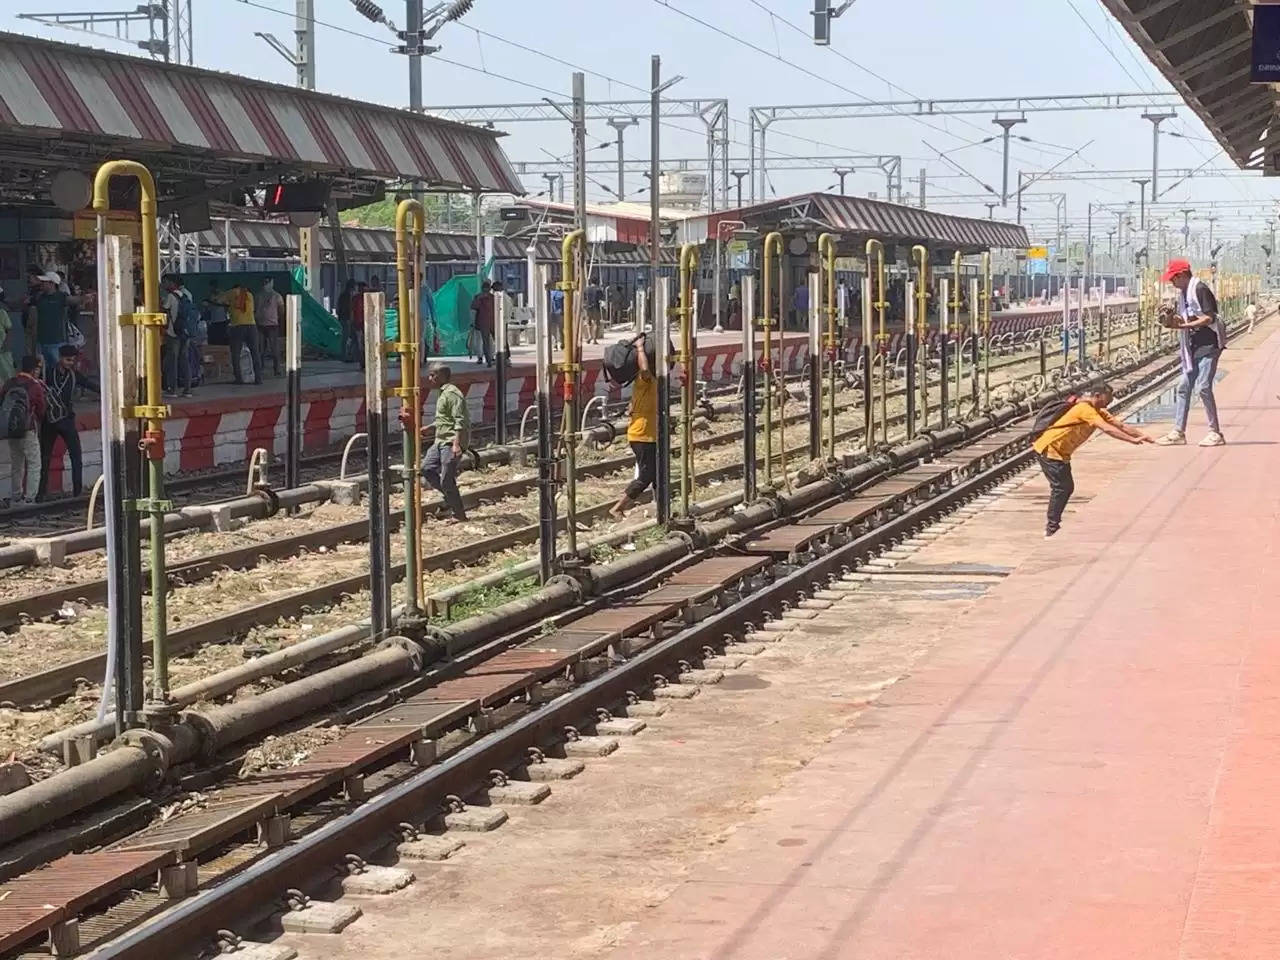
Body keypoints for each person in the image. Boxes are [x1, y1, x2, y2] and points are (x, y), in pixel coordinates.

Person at [1032, 383, 1153, 539]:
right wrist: (1132, 440)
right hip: (1049, 449)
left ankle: (1052, 526)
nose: (1109, 402)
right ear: (1097, 395)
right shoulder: (1085, 409)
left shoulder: (1098, 411)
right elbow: (1107, 429)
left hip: (1061, 453)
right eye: (1107, 399)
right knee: (1062, 487)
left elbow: (1119, 425)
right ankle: (1051, 528)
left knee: (1065, 487)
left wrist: (1143, 436)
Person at [1154, 258, 1228, 447]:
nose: (1172, 282)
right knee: (1183, 387)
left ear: (1182, 275)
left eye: (1173, 278)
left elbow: (1208, 317)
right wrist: (1172, 319)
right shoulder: (1184, 293)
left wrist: (1183, 326)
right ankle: (1179, 432)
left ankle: (1215, 433)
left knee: (1203, 386)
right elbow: (1188, 317)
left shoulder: (1200, 289)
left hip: (1209, 346)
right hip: (1193, 347)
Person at [39, 345, 97, 498]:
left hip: (67, 419)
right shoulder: (48, 373)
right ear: (60, 358)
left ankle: (77, 492)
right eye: (67, 359)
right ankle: (41, 493)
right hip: (49, 420)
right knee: (45, 457)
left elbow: (89, 385)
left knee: (76, 456)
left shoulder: (74, 375)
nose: (70, 363)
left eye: (72, 360)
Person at [610, 333, 658, 518]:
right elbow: (645, 370)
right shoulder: (644, 379)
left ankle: (661, 506)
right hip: (642, 435)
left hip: (649, 434)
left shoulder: (650, 382)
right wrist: (639, 348)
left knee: (658, 473)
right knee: (646, 475)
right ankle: (617, 508)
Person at [422, 362, 468, 521]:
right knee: (426, 468)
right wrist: (430, 427)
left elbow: (459, 420)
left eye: (433, 375)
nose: (430, 378)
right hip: (440, 440)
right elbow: (445, 420)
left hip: (450, 442)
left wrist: (456, 444)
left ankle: (459, 514)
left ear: (442, 376)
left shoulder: (453, 394)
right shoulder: (442, 393)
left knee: (447, 480)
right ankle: (450, 500)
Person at [2, 355, 47, 505]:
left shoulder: (10, 383)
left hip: (11, 430)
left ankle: (16, 496)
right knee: (34, 463)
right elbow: (41, 410)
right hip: (28, 430)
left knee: (17, 463)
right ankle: (29, 498)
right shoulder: (35, 386)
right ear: (34, 369)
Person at [216, 281, 261, 385]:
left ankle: (239, 378)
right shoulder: (249, 295)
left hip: (237, 326)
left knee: (235, 354)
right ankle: (258, 378)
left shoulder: (231, 292)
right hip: (251, 325)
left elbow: (218, 300)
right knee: (255, 352)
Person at [161, 274, 197, 397]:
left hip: (173, 333)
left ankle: (172, 389)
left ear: (172, 283)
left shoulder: (171, 296)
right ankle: (187, 390)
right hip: (186, 333)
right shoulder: (187, 295)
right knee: (185, 360)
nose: (163, 285)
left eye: (165, 282)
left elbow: (164, 310)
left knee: (172, 361)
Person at [26, 272, 70, 371]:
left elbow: (74, 300)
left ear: (52, 283)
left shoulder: (61, 297)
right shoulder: (39, 297)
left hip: (57, 341)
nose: (41, 283)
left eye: (44, 282)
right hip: (41, 341)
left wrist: (85, 298)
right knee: (43, 370)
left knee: (59, 369)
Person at [256, 278, 284, 377]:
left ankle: (276, 369)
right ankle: (261, 368)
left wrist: (280, 322)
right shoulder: (259, 295)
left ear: (271, 283)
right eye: (264, 282)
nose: (265, 284)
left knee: (274, 348)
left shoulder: (276, 296)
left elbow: (281, 310)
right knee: (261, 348)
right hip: (261, 325)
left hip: (272, 325)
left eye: (267, 282)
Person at [470, 280, 495, 367]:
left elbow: (473, 310)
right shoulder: (492, 297)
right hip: (489, 323)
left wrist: (472, 322)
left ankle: (488, 359)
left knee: (485, 342)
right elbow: (473, 310)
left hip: (484, 323)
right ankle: (490, 359)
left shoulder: (478, 297)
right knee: (488, 342)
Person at [0, 285, 14, 383]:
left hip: (2, 350)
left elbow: (9, 330)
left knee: (8, 374)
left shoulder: (2, 313)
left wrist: (6, 345)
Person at [585, 276, 605, 343]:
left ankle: (589, 336)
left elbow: (584, 298)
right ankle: (594, 339)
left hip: (588, 308)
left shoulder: (587, 289)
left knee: (588, 323)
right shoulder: (598, 289)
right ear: (597, 281)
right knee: (596, 323)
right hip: (596, 307)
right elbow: (602, 299)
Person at [549, 282, 565, 350]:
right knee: (561, 329)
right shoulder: (562, 294)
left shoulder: (550, 293)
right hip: (560, 313)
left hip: (551, 313)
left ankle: (554, 345)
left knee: (553, 330)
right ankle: (562, 344)